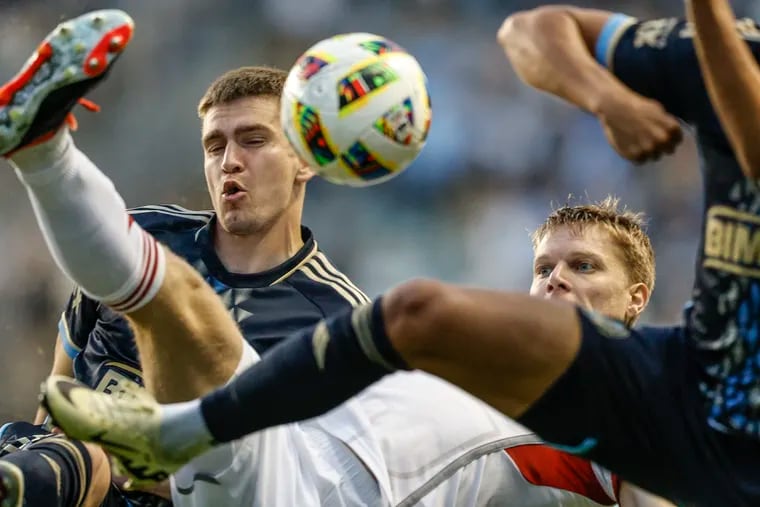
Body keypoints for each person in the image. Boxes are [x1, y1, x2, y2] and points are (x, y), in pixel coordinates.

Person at [40, 1, 760, 506]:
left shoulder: (627, 430)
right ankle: (44, 154)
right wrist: (607, 97)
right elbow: (534, 31)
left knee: (165, 348)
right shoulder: (543, 359)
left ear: (637, 295)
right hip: (280, 432)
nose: (556, 281)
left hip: (316, 491)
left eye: (583, 267)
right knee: (208, 300)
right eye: (546, 266)